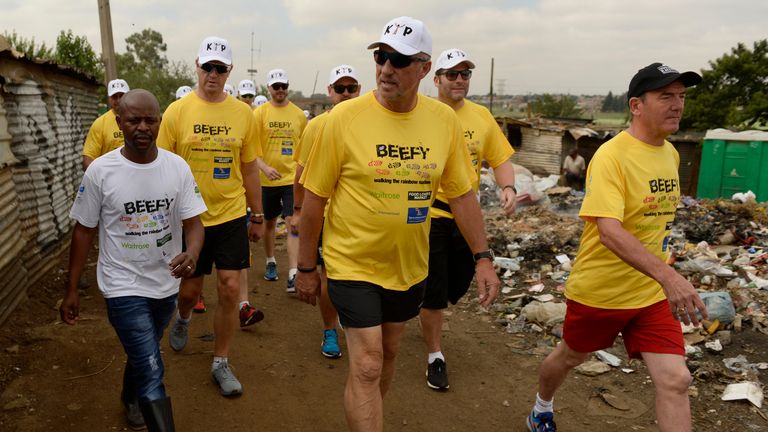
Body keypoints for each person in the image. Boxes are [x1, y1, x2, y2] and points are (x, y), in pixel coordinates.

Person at [295, 17, 500, 432]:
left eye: (400, 60)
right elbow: (314, 199)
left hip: (408, 266)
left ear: (424, 68)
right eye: (381, 56)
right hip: (352, 262)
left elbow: (461, 195)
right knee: (368, 364)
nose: (387, 68)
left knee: (386, 356)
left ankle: (367, 415)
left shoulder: (443, 123)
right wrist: (305, 267)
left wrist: (483, 258)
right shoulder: (343, 119)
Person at [526, 63, 708, 432]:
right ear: (636, 106)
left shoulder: (671, 154)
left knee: (676, 380)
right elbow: (608, 230)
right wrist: (669, 276)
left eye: (681, 97)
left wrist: (662, 276)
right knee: (570, 356)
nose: (677, 105)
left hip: (650, 293)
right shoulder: (611, 156)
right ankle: (541, 406)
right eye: (665, 96)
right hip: (601, 293)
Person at [60, 89, 206, 431]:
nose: (143, 127)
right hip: (121, 283)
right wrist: (72, 289)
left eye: (150, 120)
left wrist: (193, 252)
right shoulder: (100, 172)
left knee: (146, 351)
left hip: (165, 281)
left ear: (159, 122)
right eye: (133, 120)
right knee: (153, 367)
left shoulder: (177, 168)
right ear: (118, 122)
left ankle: (129, 396)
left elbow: (194, 223)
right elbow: (83, 231)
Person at [158, 36, 265, 397]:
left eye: (220, 69)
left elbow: (249, 169)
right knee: (189, 291)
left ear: (229, 71)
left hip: (231, 213)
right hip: (190, 219)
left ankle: (221, 361)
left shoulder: (242, 114)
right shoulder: (177, 112)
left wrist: (258, 214)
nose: (213, 74)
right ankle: (184, 318)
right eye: (208, 67)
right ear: (197, 66)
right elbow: (162, 167)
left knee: (231, 286)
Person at [420, 48, 517, 391]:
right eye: (452, 74)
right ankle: (435, 355)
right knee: (434, 292)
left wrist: (507, 186)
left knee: (455, 285)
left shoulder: (481, 117)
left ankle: (424, 304)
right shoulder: (421, 113)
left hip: (466, 214)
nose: (459, 80)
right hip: (428, 215)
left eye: (465, 74)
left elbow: (500, 156)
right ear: (436, 79)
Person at [292, 64, 361, 359]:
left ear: (359, 90)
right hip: (325, 216)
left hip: (358, 219)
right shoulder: (317, 126)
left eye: (351, 88)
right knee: (330, 275)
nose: (346, 94)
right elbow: (301, 172)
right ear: (330, 91)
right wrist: (297, 210)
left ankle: (355, 320)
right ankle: (329, 329)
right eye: (340, 89)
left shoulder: (370, 123)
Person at [253, 68, 307, 292]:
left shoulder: (298, 115)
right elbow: (250, 149)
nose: (281, 90)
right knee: (269, 223)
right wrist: (264, 167)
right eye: (276, 87)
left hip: (290, 178)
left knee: (293, 223)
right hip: (266, 180)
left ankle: (293, 272)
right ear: (269, 88)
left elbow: (304, 147)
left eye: (284, 86)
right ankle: (270, 261)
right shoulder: (260, 114)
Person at [82, 78, 129, 170]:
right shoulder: (100, 124)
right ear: (109, 98)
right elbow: (88, 158)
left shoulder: (139, 119)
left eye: (122, 95)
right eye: (114, 96)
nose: (118, 100)